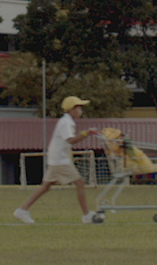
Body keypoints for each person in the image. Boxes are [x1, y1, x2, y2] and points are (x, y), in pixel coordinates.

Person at [14, 96, 99, 224]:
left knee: (45, 187)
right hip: (60, 160)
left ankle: (22, 210)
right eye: (79, 108)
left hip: (56, 158)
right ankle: (86, 215)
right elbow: (71, 140)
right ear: (71, 109)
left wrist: (85, 133)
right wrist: (86, 133)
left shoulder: (66, 121)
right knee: (80, 183)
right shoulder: (66, 123)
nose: (81, 111)